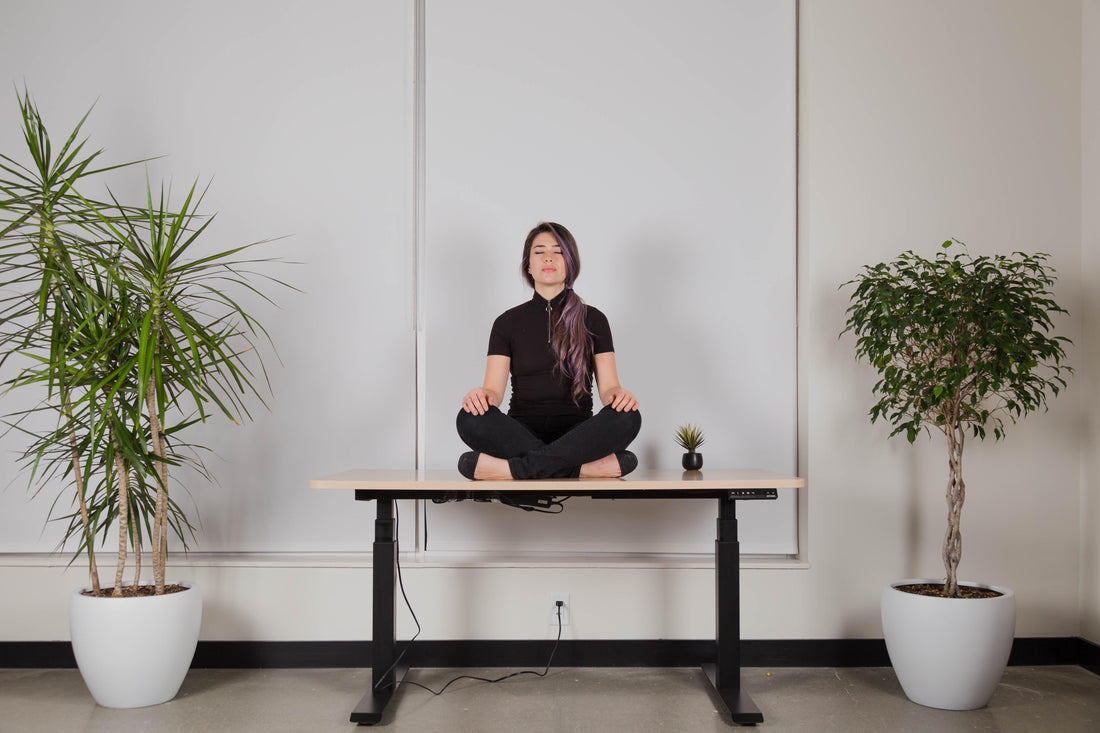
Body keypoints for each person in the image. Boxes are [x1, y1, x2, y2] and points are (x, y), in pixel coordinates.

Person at [456, 222, 641, 480]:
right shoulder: (506, 323)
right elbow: (493, 391)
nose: (548, 257)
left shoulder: (594, 319)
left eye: (558, 251)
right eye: (539, 251)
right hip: (519, 433)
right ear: (528, 265)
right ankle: (576, 469)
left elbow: (609, 388)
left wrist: (620, 397)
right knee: (468, 418)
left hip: (579, 435)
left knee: (629, 417)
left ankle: (520, 468)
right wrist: (480, 397)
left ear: (570, 262)